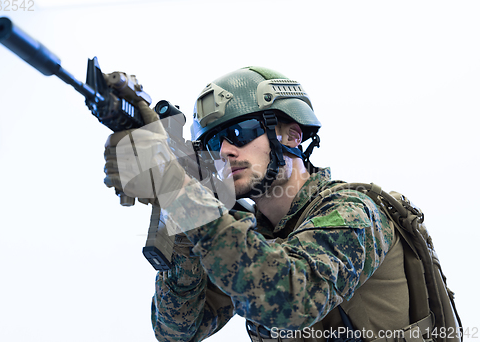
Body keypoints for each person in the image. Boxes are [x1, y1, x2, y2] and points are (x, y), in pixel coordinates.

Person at [104, 67, 414, 342]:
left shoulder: (354, 211)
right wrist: (184, 208)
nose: (225, 151)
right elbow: (178, 330)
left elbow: (291, 298)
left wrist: (180, 189)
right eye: (213, 143)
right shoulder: (250, 235)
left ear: (292, 135)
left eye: (239, 132)